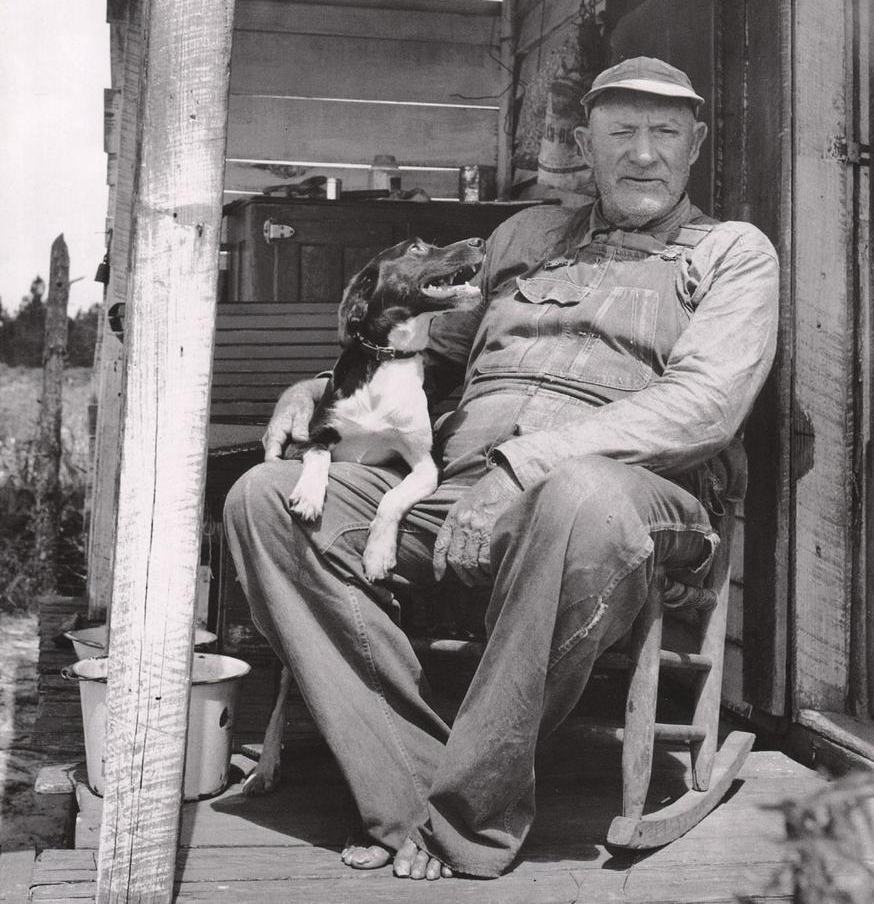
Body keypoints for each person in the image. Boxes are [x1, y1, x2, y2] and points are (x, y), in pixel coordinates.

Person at [223, 56, 780, 881]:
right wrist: (317, 388)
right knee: (265, 497)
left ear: (696, 145)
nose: (644, 153)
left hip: (626, 500)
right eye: (621, 131)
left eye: (665, 132)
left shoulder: (733, 254)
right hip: (450, 487)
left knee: (579, 496)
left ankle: (467, 819)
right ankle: (409, 793)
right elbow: (423, 349)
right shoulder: (525, 239)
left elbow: (704, 407)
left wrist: (526, 463)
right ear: (585, 144)